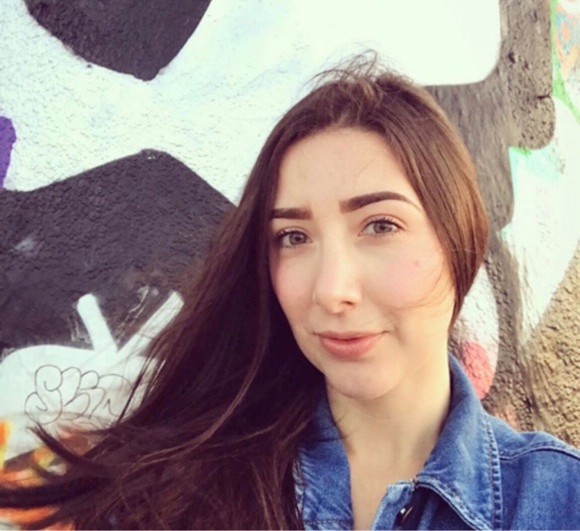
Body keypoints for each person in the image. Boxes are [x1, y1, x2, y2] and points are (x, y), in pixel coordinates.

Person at [1, 57, 579, 530]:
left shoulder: (558, 501)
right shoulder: (173, 495)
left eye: (380, 225)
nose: (331, 291)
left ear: (459, 239)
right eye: (294, 237)